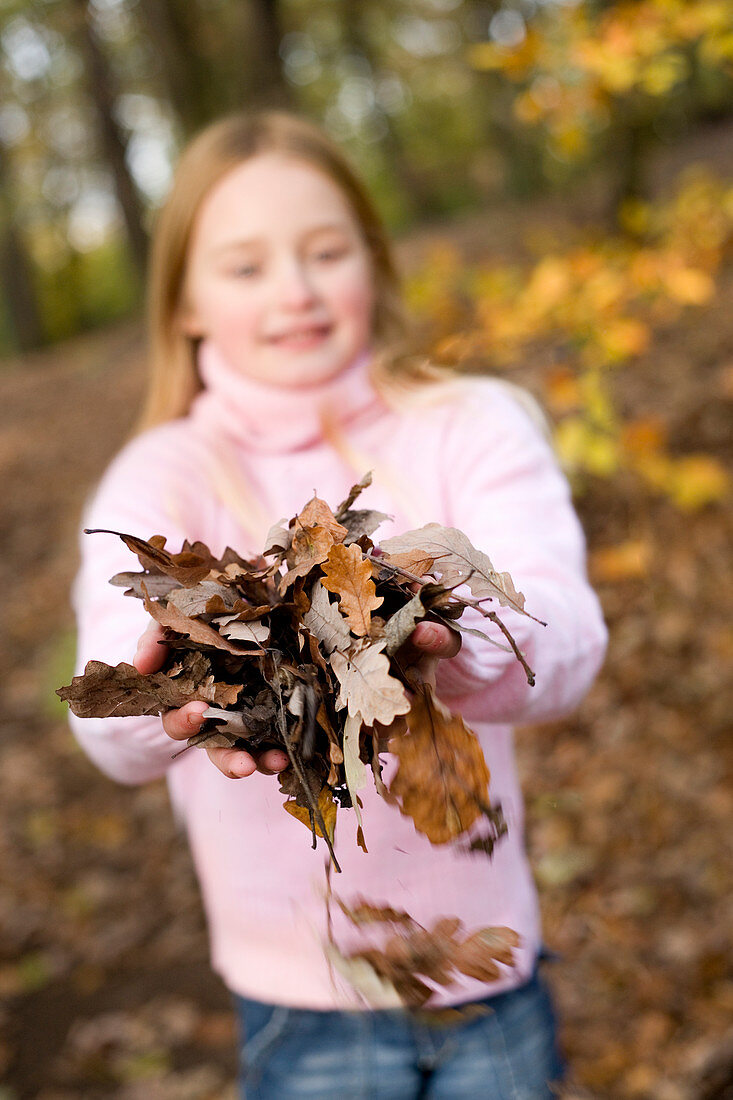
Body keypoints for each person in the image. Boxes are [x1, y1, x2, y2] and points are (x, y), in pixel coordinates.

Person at [69, 109, 607, 1099]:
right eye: (246, 266)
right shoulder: (163, 474)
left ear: (373, 258)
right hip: (298, 999)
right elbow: (106, 722)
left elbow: (567, 637)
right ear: (183, 300)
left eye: (326, 251)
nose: (296, 290)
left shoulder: (468, 423)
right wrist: (179, 686)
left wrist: (447, 636)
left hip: (484, 977)